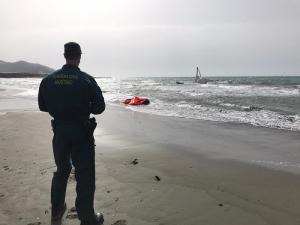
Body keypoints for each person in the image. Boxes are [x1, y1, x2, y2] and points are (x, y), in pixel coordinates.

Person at [38, 42, 105, 225]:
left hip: (59, 131)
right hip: (81, 132)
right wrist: (83, 107)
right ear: (79, 56)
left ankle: (57, 210)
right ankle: (87, 218)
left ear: (65, 55)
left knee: (62, 170)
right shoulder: (86, 79)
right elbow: (100, 107)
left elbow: (43, 106)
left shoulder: (48, 80)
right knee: (84, 174)